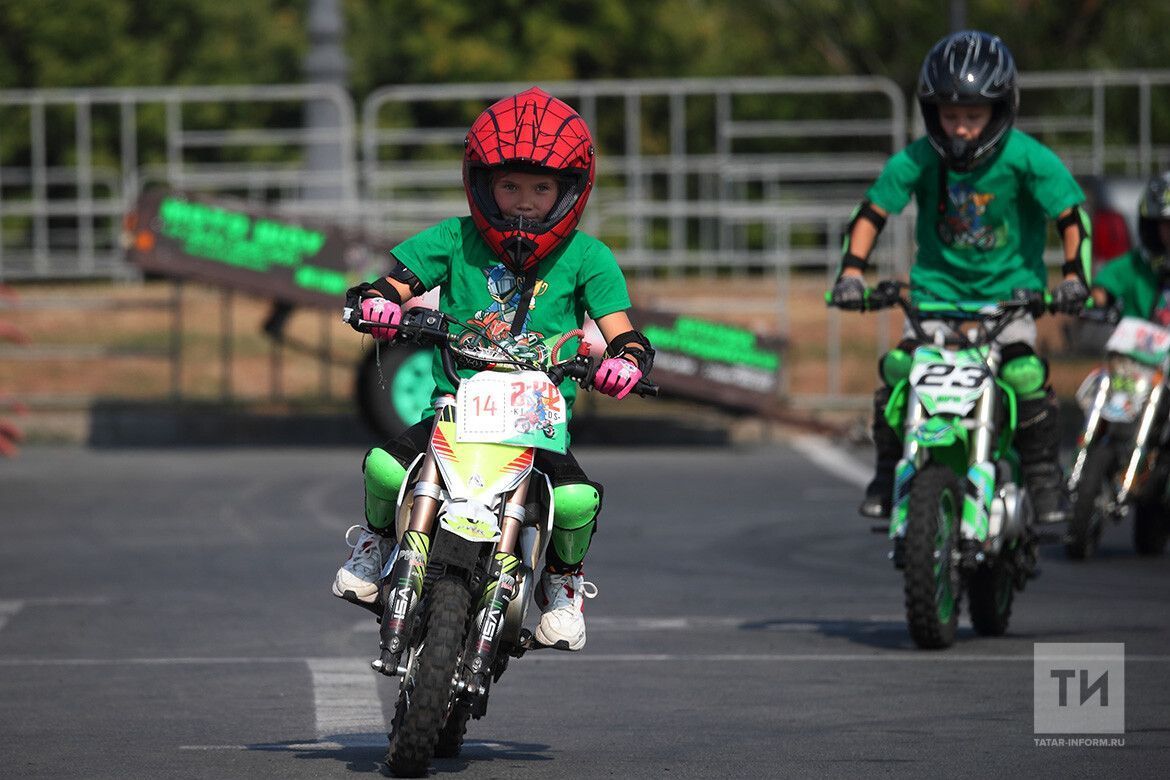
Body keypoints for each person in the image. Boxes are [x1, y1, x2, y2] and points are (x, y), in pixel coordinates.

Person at [331, 87, 654, 652]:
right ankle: (378, 544)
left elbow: (623, 331)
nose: (523, 201)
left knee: (577, 501)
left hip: (536, 423)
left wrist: (624, 361)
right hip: (451, 412)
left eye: (540, 187)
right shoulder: (454, 238)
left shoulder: (589, 257)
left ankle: (563, 583)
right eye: (509, 185)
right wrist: (378, 304)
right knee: (384, 467)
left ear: (568, 190)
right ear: (483, 183)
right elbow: (393, 284)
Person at [828, 30, 1091, 525]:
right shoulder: (921, 157)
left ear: (1000, 111)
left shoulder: (1027, 158)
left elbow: (1072, 217)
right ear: (932, 113)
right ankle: (888, 470)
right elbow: (872, 212)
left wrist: (1074, 278)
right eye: (950, 116)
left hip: (1008, 300)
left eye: (973, 117)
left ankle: (1041, 474)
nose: (962, 129)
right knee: (898, 371)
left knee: (1024, 375)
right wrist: (850, 274)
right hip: (934, 297)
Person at [1089, 171, 1170, 325]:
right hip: (1142, 347)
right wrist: (1097, 301)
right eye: (1167, 223)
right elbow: (1100, 293)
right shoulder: (1134, 266)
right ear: (1153, 226)